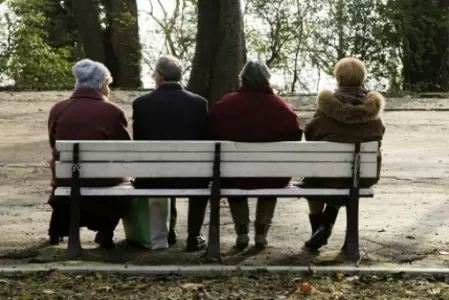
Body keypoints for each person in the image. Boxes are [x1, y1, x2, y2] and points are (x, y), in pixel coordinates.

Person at [209, 61, 302, 249]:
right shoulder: (283, 108)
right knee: (271, 174)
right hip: (272, 177)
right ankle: (261, 232)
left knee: (232, 174)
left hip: (233, 176)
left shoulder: (225, 104)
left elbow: (210, 134)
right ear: (267, 79)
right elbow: (295, 136)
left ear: (243, 79)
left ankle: (242, 231)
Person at [302, 57, 386, 251]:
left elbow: (310, 134)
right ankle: (328, 221)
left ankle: (320, 228)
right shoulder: (373, 110)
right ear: (362, 80)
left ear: (338, 79)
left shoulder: (325, 107)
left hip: (326, 175)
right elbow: (379, 134)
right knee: (347, 177)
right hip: (362, 176)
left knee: (313, 179)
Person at [47, 59, 131, 249]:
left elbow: (54, 145)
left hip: (66, 178)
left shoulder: (58, 109)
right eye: (108, 85)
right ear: (101, 85)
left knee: (67, 172)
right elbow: (124, 150)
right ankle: (105, 232)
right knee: (125, 180)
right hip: (102, 181)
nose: (109, 91)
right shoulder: (113, 111)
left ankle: (57, 230)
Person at [132, 55, 209, 251]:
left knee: (164, 168)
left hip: (151, 178)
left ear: (158, 77)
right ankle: (194, 235)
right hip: (192, 178)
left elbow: (139, 141)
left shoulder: (141, 104)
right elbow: (203, 140)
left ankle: (170, 230)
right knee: (194, 174)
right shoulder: (199, 103)